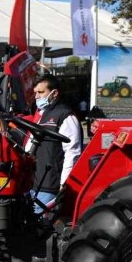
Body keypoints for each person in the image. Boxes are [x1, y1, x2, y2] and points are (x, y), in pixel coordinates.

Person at [30, 76, 82, 213]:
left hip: (50, 184)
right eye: (35, 92)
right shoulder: (43, 114)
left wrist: (64, 183)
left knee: (39, 224)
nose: (36, 96)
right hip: (36, 182)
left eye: (40, 92)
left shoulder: (65, 116)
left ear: (54, 93)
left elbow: (72, 152)